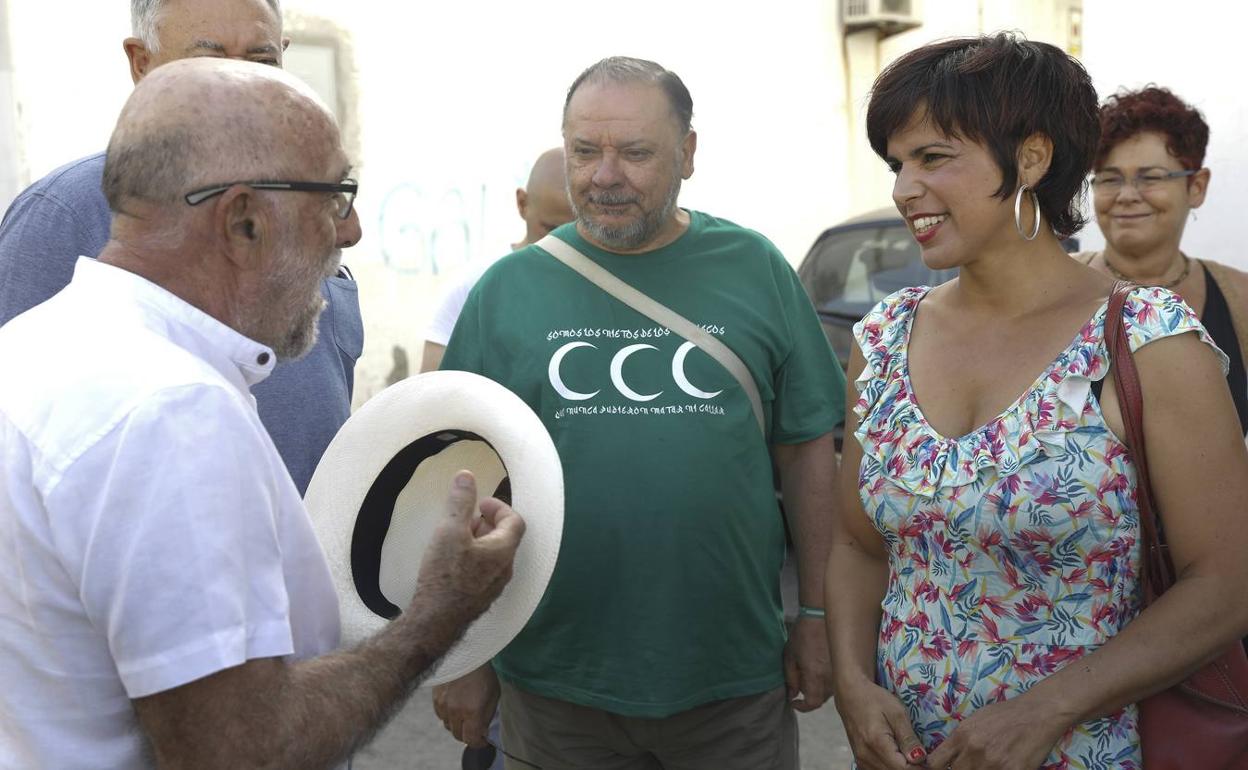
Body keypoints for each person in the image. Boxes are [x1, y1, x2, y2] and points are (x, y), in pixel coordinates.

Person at [0, 58, 524, 769]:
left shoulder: (32, 346)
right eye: (336, 197)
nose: (354, 231)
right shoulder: (170, 411)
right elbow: (242, 752)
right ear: (243, 221)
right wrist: (438, 614)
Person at [825, 33, 1248, 770]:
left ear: (1031, 158)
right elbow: (858, 547)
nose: (902, 189)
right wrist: (854, 685)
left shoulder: (1148, 342)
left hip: (1089, 749)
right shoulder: (884, 337)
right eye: (897, 164)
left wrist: (1045, 710)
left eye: (932, 158)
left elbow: (1227, 585)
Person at [435, 56, 844, 769]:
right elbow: (459, 481)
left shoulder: (755, 268)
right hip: (555, 683)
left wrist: (815, 615)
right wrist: (463, 652)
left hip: (730, 682)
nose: (603, 175)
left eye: (635, 152)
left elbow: (808, 453)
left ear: (688, 153)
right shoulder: (507, 291)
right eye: (585, 151)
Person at [0, 0, 361, 496]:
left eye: (262, 63)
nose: (243, 89)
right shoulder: (63, 214)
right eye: (208, 62)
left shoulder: (305, 202)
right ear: (141, 63)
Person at [1077, 86, 1248, 438]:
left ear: (1197, 187)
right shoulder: (1055, 289)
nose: (1126, 195)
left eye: (1150, 177)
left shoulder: (1240, 299)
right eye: (1109, 178)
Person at [421, 148, 575, 374]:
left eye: (573, 231)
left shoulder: (597, 284)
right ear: (522, 203)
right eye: (550, 229)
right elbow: (433, 391)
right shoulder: (478, 285)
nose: (561, 243)